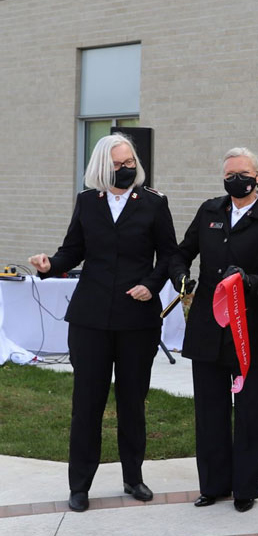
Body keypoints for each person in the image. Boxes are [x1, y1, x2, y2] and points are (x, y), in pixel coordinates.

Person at [28, 133, 178, 512]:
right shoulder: (87, 203)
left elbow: (169, 255)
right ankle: (79, 486)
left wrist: (152, 285)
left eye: (130, 163)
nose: (126, 168)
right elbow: (73, 249)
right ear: (101, 166)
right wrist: (51, 266)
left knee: (132, 402)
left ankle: (133, 477)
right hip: (90, 319)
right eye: (118, 164)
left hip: (137, 320)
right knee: (87, 404)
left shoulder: (154, 203)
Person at [170, 148, 258, 513]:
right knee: (210, 410)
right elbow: (182, 251)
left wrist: (249, 281)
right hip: (207, 328)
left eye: (242, 173)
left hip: (250, 330)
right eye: (229, 174)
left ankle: (245, 488)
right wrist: (179, 276)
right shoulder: (209, 211)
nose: (235, 180)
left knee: (248, 411)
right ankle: (213, 485)